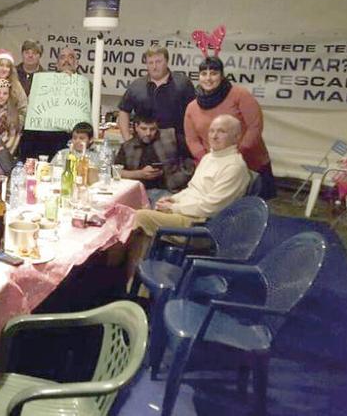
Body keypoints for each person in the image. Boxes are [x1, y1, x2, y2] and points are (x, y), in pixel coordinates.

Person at [121, 114, 250, 280]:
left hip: (203, 226)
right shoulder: (210, 157)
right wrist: (174, 200)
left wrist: (174, 207)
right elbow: (192, 189)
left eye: (221, 131)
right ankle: (137, 281)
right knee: (144, 214)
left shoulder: (234, 167)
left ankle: (131, 280)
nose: (214, 136)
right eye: (212, 131)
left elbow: (210, 208)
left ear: (236, 137)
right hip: (188, 215)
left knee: (139, 217)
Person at [184, 56, 276, 198]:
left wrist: (234, 156)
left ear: (222, 75)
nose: (208, 78)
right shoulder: (192, 107)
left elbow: (255, 127)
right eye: (204, 74)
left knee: (252, 212)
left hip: (250, 164)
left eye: (213, 73)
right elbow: (192, 140)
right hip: (213, 168)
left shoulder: (240, 95)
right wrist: (207, 160)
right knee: (215, 211)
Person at [19, 47, 87, 159]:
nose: (66, 60)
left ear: (76, 64)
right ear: (57, 64)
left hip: (68, 137)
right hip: (42, 137)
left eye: (71, 57)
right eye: (62, 57)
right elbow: (31, 106)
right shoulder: (43, 81)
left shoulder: (84, 85)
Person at [116, 46, 195, 142]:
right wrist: (127, 139)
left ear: (166, 61)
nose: (154, 66)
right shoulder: (137, 85)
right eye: (150, 63)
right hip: (144, 145)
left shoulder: (183, 83)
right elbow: (123, 111)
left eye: (158, 62)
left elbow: (195, 113)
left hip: (175, 146)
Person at [114, 113, 195, 205]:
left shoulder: (171, 137)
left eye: (152, 129)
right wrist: (140, 174)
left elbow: (190, 161)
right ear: (136, 127)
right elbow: (116, 172)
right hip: (138, 191)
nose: (148, 133)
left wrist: (180, 177)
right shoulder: (128, 146)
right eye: (144, 129)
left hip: (169, 189)